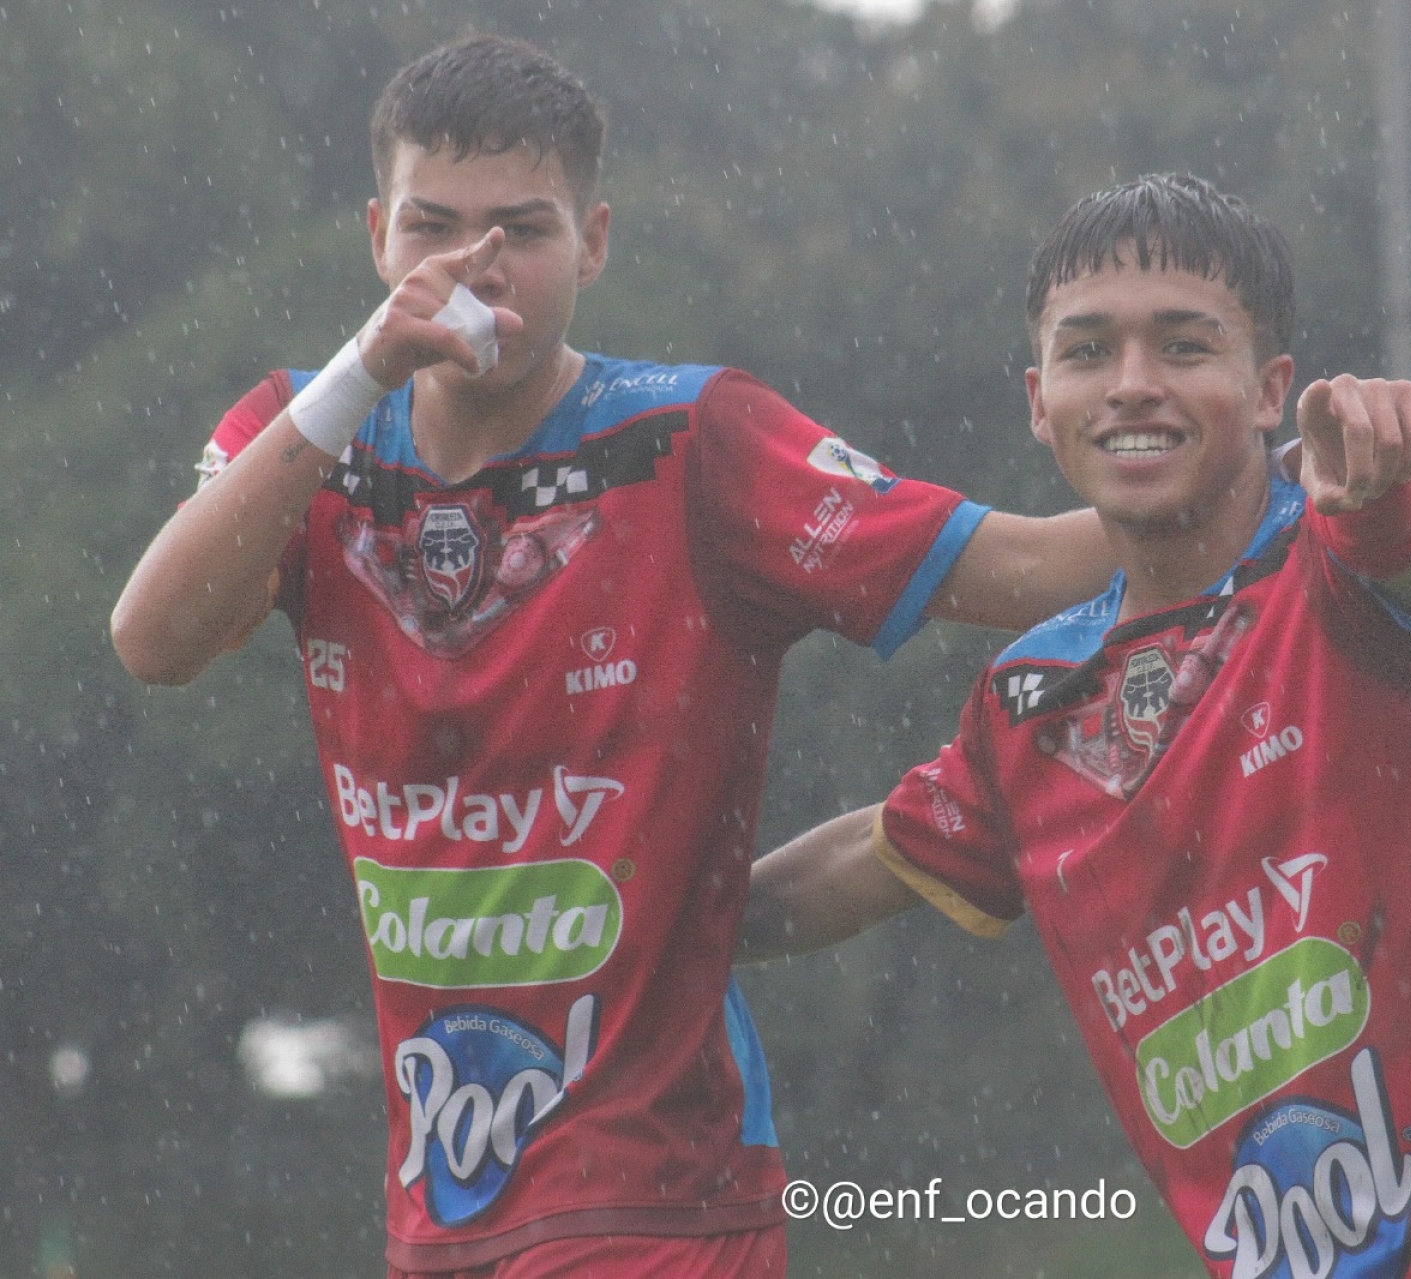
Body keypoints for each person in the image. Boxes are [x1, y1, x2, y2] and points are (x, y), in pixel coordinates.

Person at [109, 34, 1118, 1278]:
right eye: (433, 225)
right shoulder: (305, 436)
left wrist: (1250, 496)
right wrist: (362, 370)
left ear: (592, 243)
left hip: (657, 1202)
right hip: (441, 1209)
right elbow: (152, 640)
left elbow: (1021, 565)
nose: (473, 266)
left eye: (521, 230)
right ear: (376, 236)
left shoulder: (695, 437)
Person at [739, 173, 1411, 1277]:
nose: (1132, 385)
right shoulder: (1029, 701)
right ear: (1040, 400)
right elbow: (845, 870)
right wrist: (651, 924)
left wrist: (1382, 466)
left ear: (1271, 387)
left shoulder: (1335, 564)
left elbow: (1406, 542)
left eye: (1184, 346)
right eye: (1089, 351)